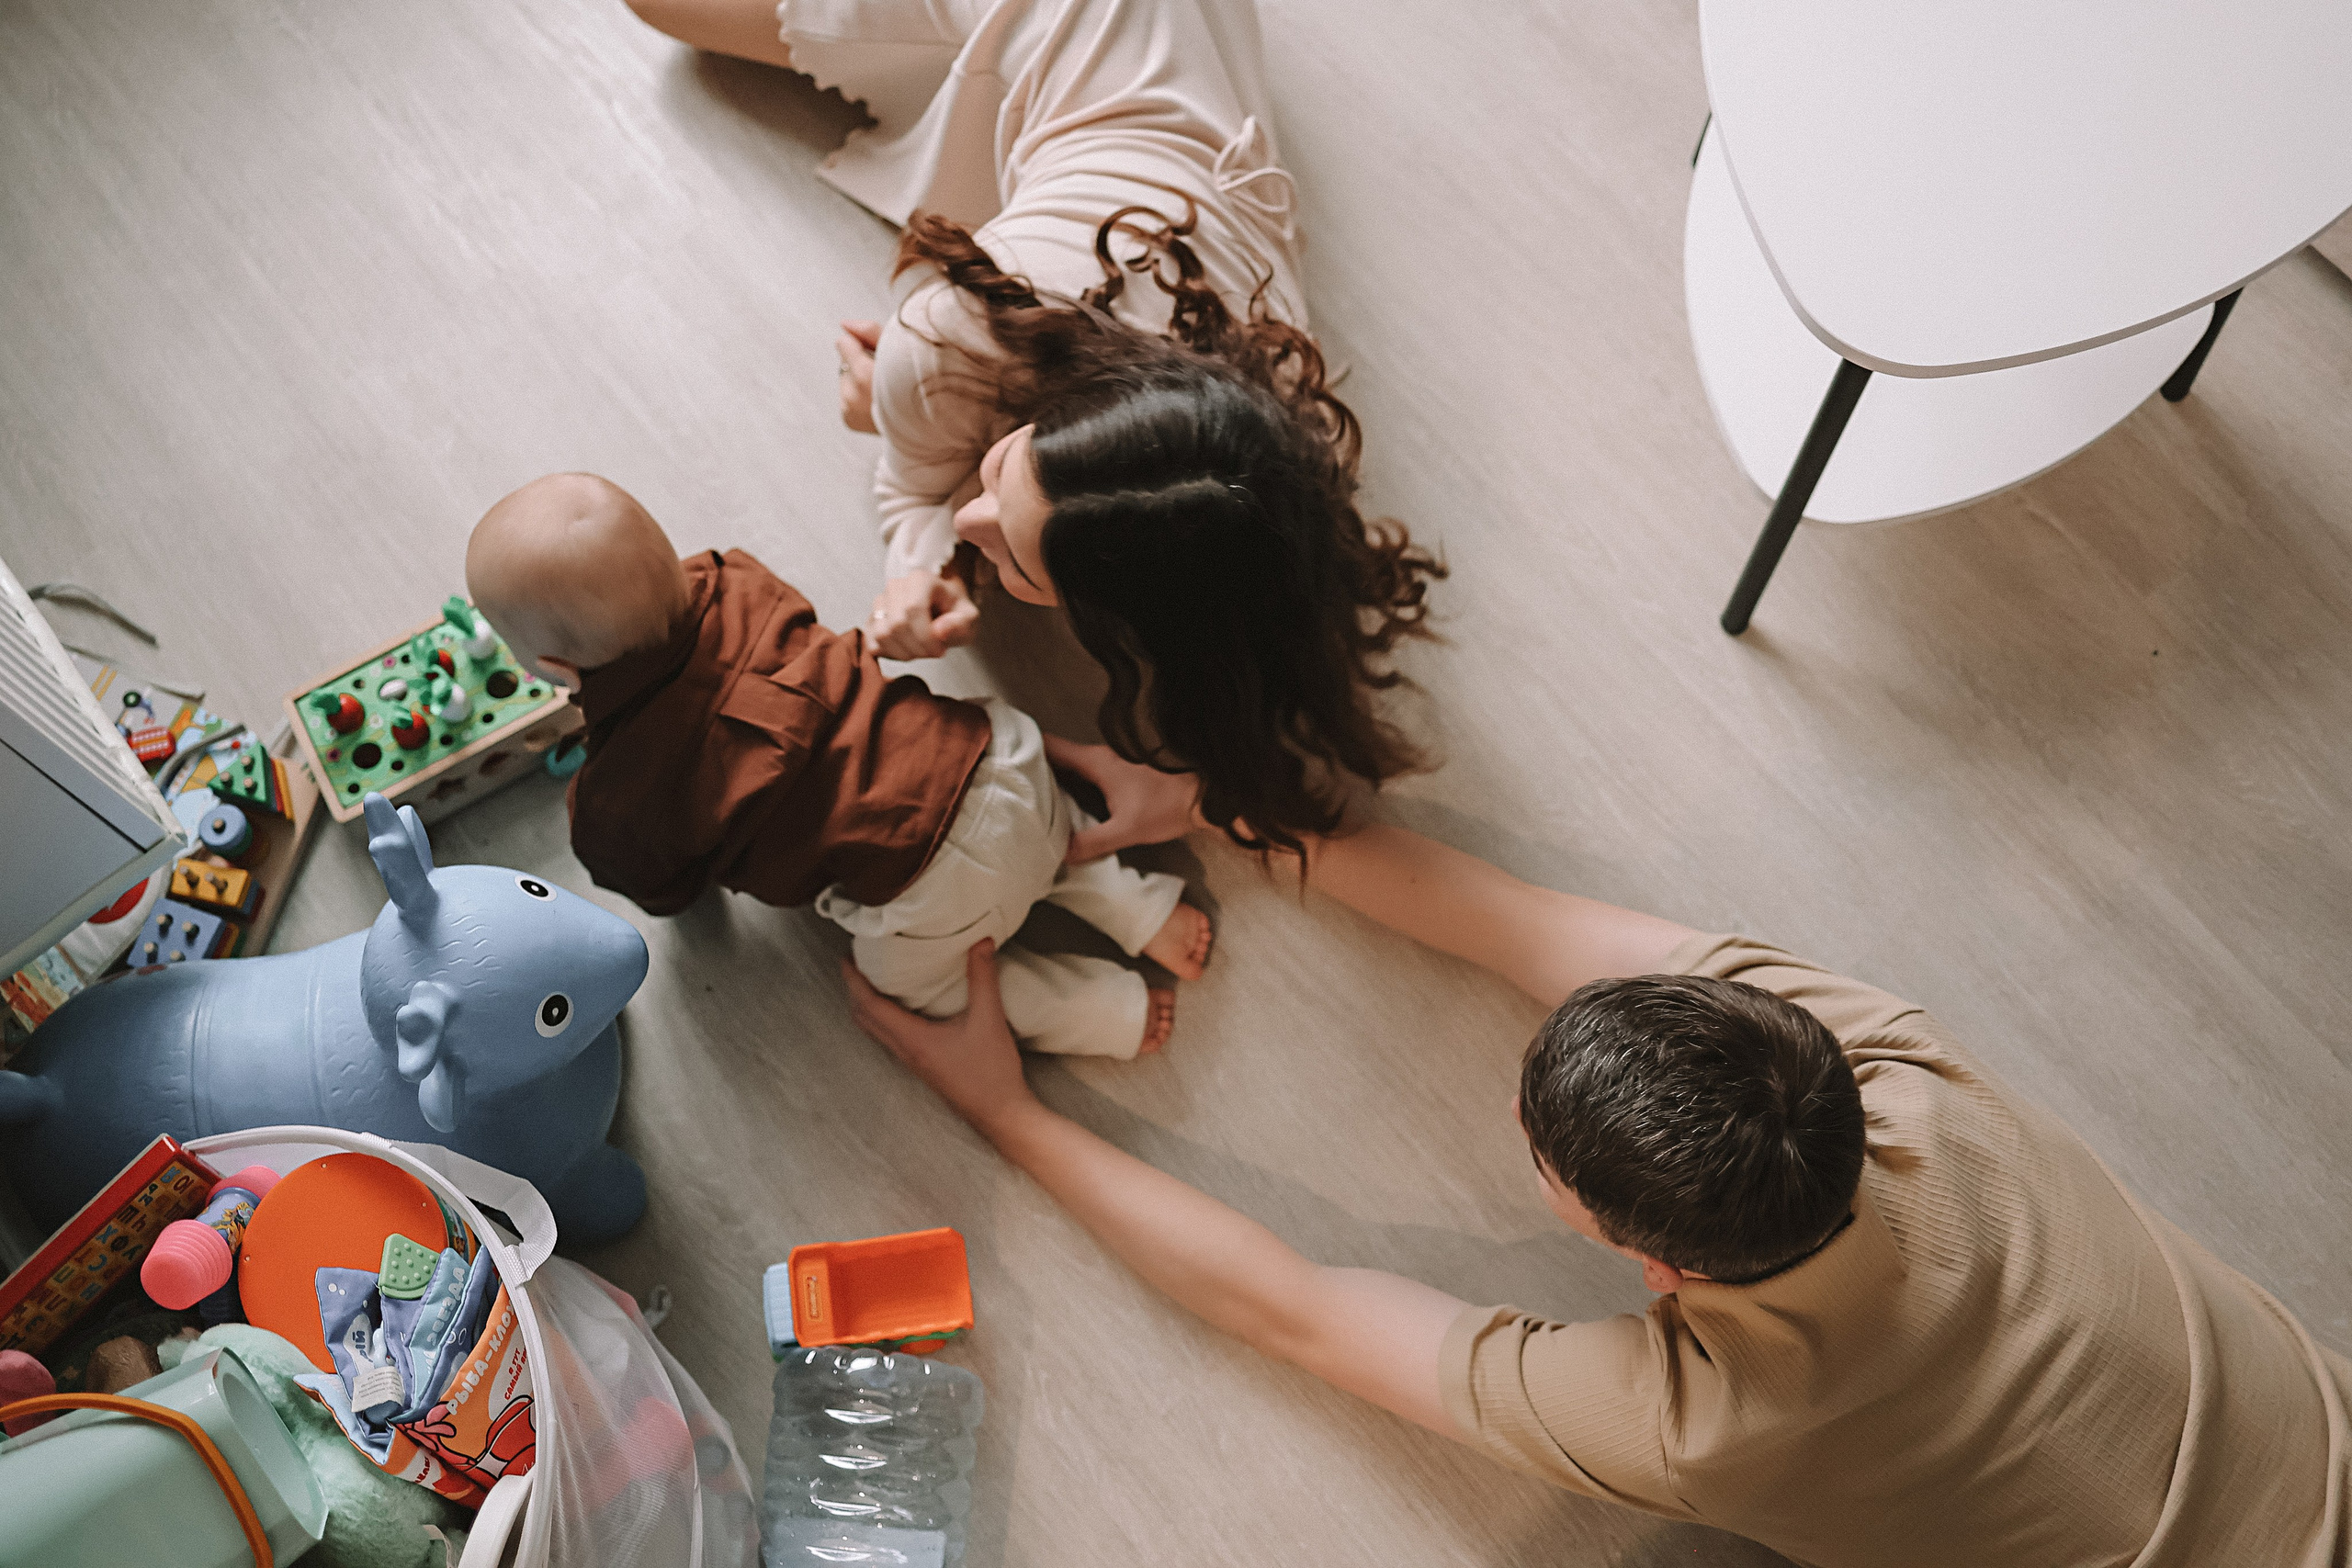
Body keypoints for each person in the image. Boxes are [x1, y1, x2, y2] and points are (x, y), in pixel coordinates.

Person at [844, 824, 2352, 1566]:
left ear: (1642, 1254)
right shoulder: (1900, 1073)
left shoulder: (1703, 1427)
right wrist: (1241, 815)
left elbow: (1295, 1310)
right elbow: (1515, 917)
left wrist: (999, 1110)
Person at [622, 0, 1445, 861]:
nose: (968, 525)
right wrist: (902, 465)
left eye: (1011, 556)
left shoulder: (1257, 430)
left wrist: (918, 513)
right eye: (999, 474)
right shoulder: (946, 340)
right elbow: (914, 485)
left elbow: (933, 487)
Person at [467, 471, 1211, 1058]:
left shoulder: (619, 799)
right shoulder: (736, 578)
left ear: (557, 667)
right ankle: (1134, 905)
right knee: (1030, 825)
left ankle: (1098, 1011)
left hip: (927, 891)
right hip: (1000, 758)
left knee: (914, 985)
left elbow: (663, 889)